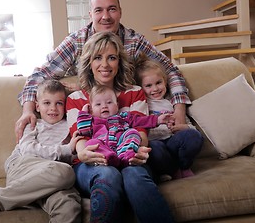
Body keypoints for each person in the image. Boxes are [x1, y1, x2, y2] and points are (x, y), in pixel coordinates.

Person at [15, 0, 191, 144]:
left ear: (120, 12)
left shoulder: (134, 41)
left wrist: (180, 113)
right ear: (90, 14)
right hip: (94, 127)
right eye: (99, 10)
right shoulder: (77, 42)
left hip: (131, 121)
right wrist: (28, 110)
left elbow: (171, 72)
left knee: (181, 142)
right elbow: (40, 75)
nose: (106, 16)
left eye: (112, 9)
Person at [66, 31, 175, 223]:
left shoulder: (135, 93)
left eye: (112, 58)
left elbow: (141, 132)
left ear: (120, 62)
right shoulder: (76, 99)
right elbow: (80, 135)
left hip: (129, 153)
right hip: (88, 163)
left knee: (134, 175)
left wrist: (138, 151)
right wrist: (83, 153)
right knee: (107, 175)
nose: (105, 64)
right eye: (98, 58)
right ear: (89, 63)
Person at [0, 80, 82, 223]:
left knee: (69, 206)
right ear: (37, 106)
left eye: (59, 103)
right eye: (47, 103)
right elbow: (28, 150)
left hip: (51, 180)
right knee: (65, 172)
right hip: (24, 167)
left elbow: (75, 153)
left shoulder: (70, 125)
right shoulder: (32, 123)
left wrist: (73, 150)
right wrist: (66, 149)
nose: (53, 108)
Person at [134, 55, 203, 180]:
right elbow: (141, 130)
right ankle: (172, 171)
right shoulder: (143, 104)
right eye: (148, 86)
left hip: (173, 143)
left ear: (165, 81)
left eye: (158, 83)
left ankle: (184, 166)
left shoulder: (171, 102)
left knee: (195, 136)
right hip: (157, 145)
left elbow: (191, 127)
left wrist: (183, 127)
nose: (155, 89)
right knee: (154, 149)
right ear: (141, 87)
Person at [77, 84, 172, 168]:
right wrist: (83, 113)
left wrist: (158, 120)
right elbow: (83, 130)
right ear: (92, 109)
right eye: (98, 104)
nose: (104, 106)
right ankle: (109, 157)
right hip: (104, 145)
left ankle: (127, 154)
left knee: (133, 132)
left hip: (121, 143)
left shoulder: (123, 117)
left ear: (117, 105)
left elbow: (140, 121)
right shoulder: (92, 121)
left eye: (109, 102)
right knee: (91, 143)